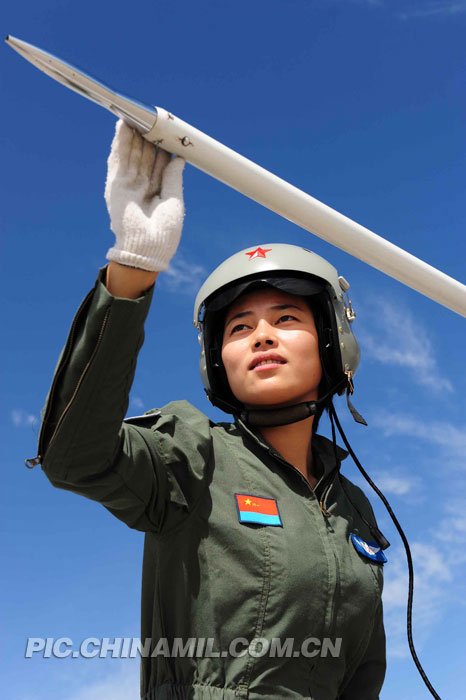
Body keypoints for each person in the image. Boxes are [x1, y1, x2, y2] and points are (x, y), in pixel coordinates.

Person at [30, 120, 386, 699]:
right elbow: (75, 457)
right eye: (240, 327)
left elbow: (364, 673)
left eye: (287, 319)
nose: (261, 336)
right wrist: (133, 271)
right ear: (217, 361)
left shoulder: (355, 510)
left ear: (333, 344)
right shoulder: (191, 457)